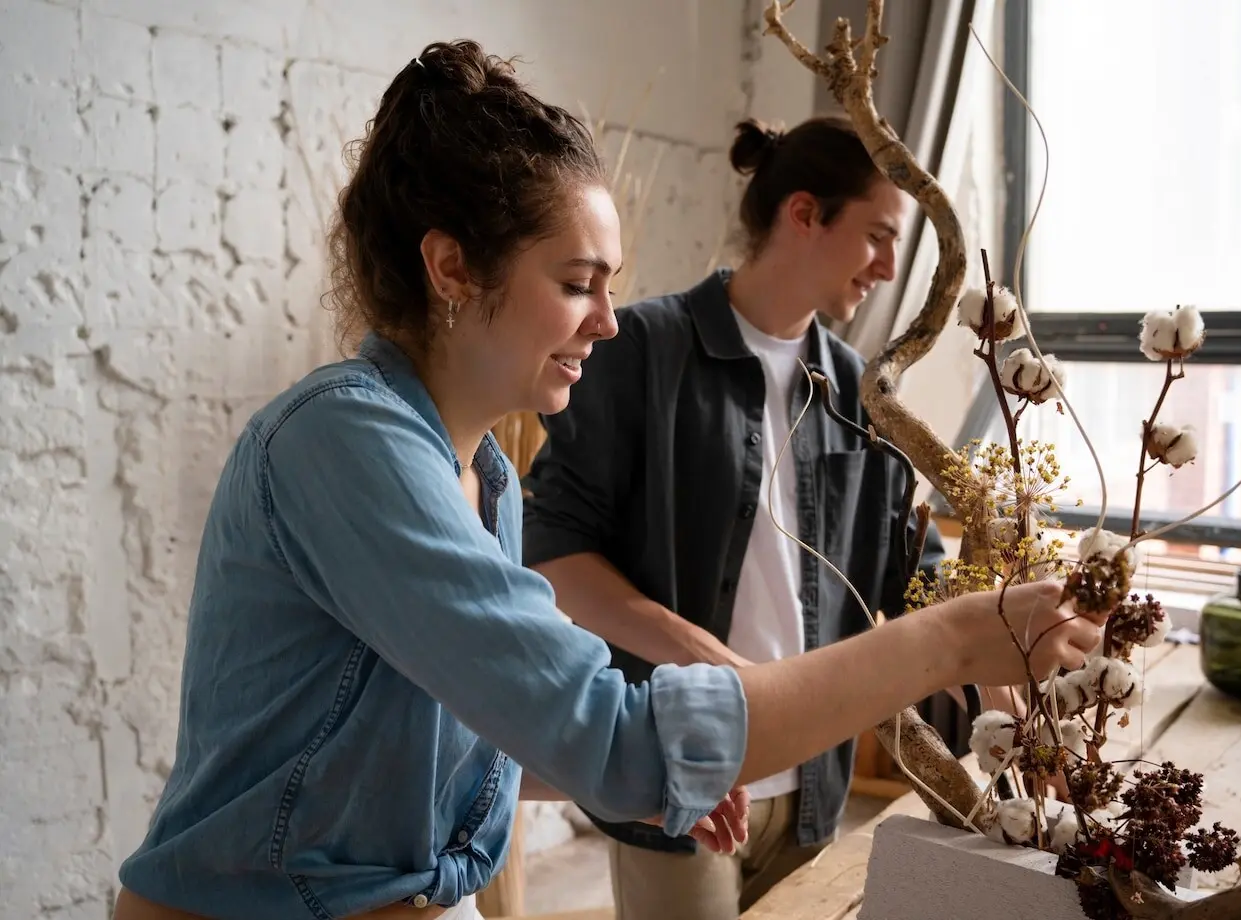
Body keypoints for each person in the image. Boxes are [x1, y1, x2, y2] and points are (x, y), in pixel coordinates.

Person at [110, 41, 1107, 920]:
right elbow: (614, 732)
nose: (607, 321)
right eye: (578, 282)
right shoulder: (345, 442)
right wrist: (942, 641)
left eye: (613, 286)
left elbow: (457, 732)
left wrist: (634, 779)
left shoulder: (488, 479)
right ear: (453, 268)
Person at [520, 115, 1024, 920]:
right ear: (803, 214)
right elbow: (550, 552)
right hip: (676, 776)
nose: (890, 268)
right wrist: (713, 664)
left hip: (814, 781)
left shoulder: (864, 392)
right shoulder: (641, 350)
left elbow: (913, 567)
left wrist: (1001, 657)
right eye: (877, 235)